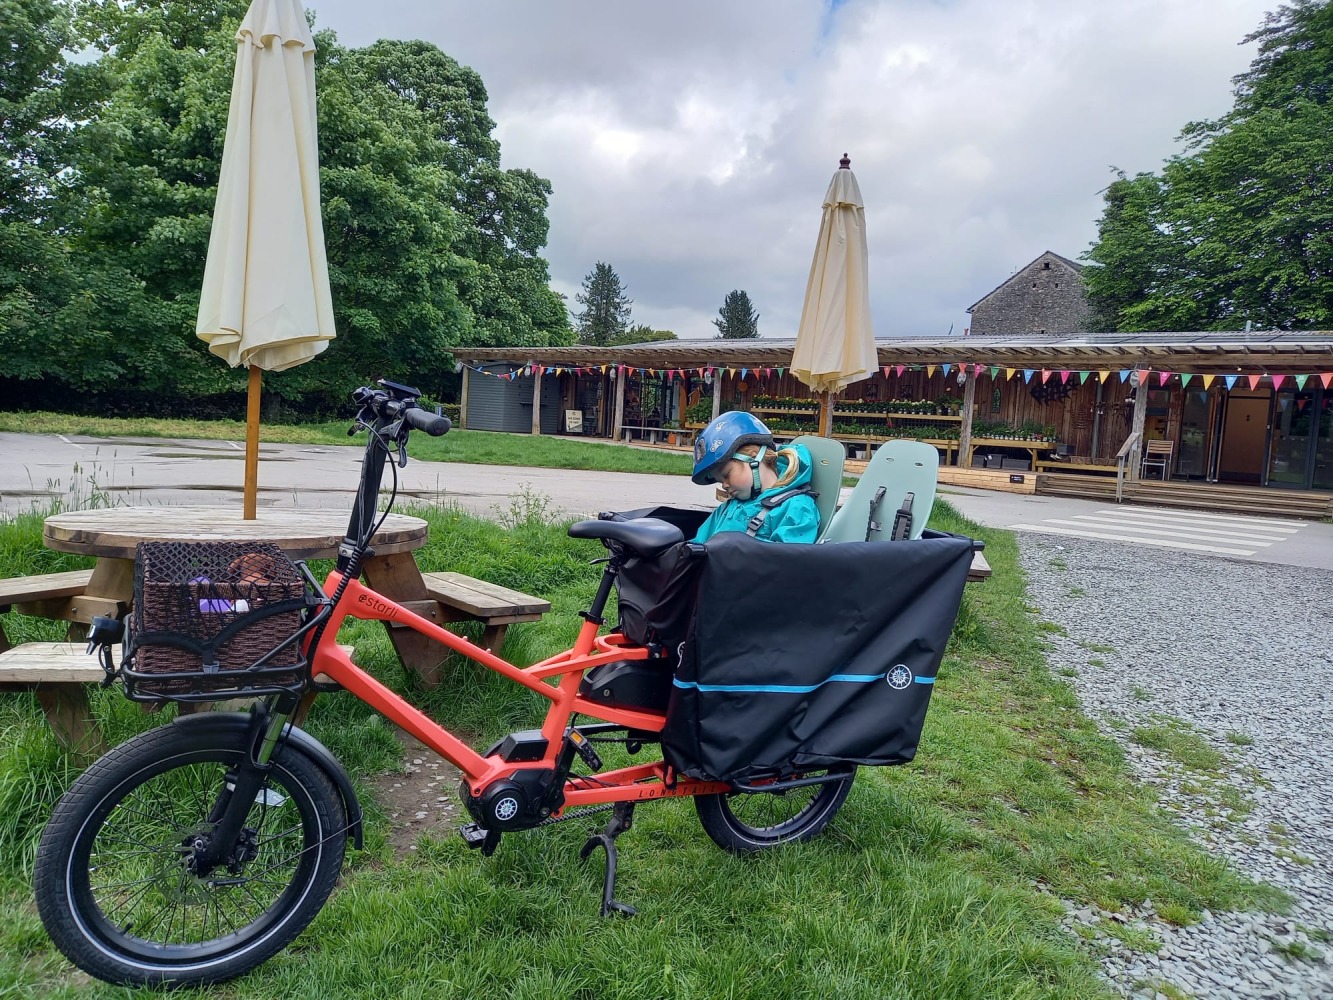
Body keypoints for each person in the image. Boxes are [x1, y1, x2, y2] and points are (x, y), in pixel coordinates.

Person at [690, 412, 820, 543]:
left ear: (754, 457)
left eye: (727, 475)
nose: (724, 485)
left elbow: (789, 559)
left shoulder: (796, 509)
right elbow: (698, 543)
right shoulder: (729, 507)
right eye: (720, 481)